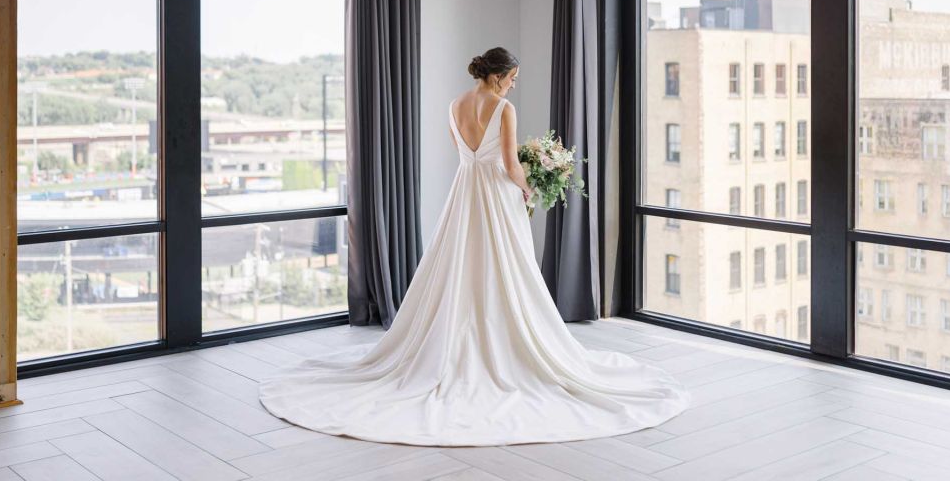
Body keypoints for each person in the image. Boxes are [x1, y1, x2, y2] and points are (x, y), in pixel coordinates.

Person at [259, 47, 688, 445]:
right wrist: (529, 189)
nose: (515, 85)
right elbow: (508, 161)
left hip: (464, 194)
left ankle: (459, 338)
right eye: (514, 78)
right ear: (499, 78)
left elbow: (466, 156)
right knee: (504, 268)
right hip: (496, 197)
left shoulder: (453, 107)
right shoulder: (503, 107)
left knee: (458, 264)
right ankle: (501, 340)